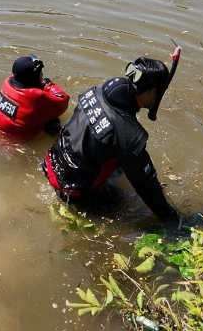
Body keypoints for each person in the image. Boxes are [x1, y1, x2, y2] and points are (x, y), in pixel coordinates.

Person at [42, 57, 180, 223]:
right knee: (122, 201)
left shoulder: (96, 92)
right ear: (152, 92)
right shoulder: (127, 133)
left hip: (53, 161)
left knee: (120, 164)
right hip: (74, 189)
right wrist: (171, 217)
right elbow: (146, 184)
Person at [0, 54, 70, 138]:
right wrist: (48, 84)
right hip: (15, 139)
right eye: (40, 73)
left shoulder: (8, 82)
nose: (42, 75)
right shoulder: (36, 96)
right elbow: (63, 100)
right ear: (33, 78)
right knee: (53, 120)